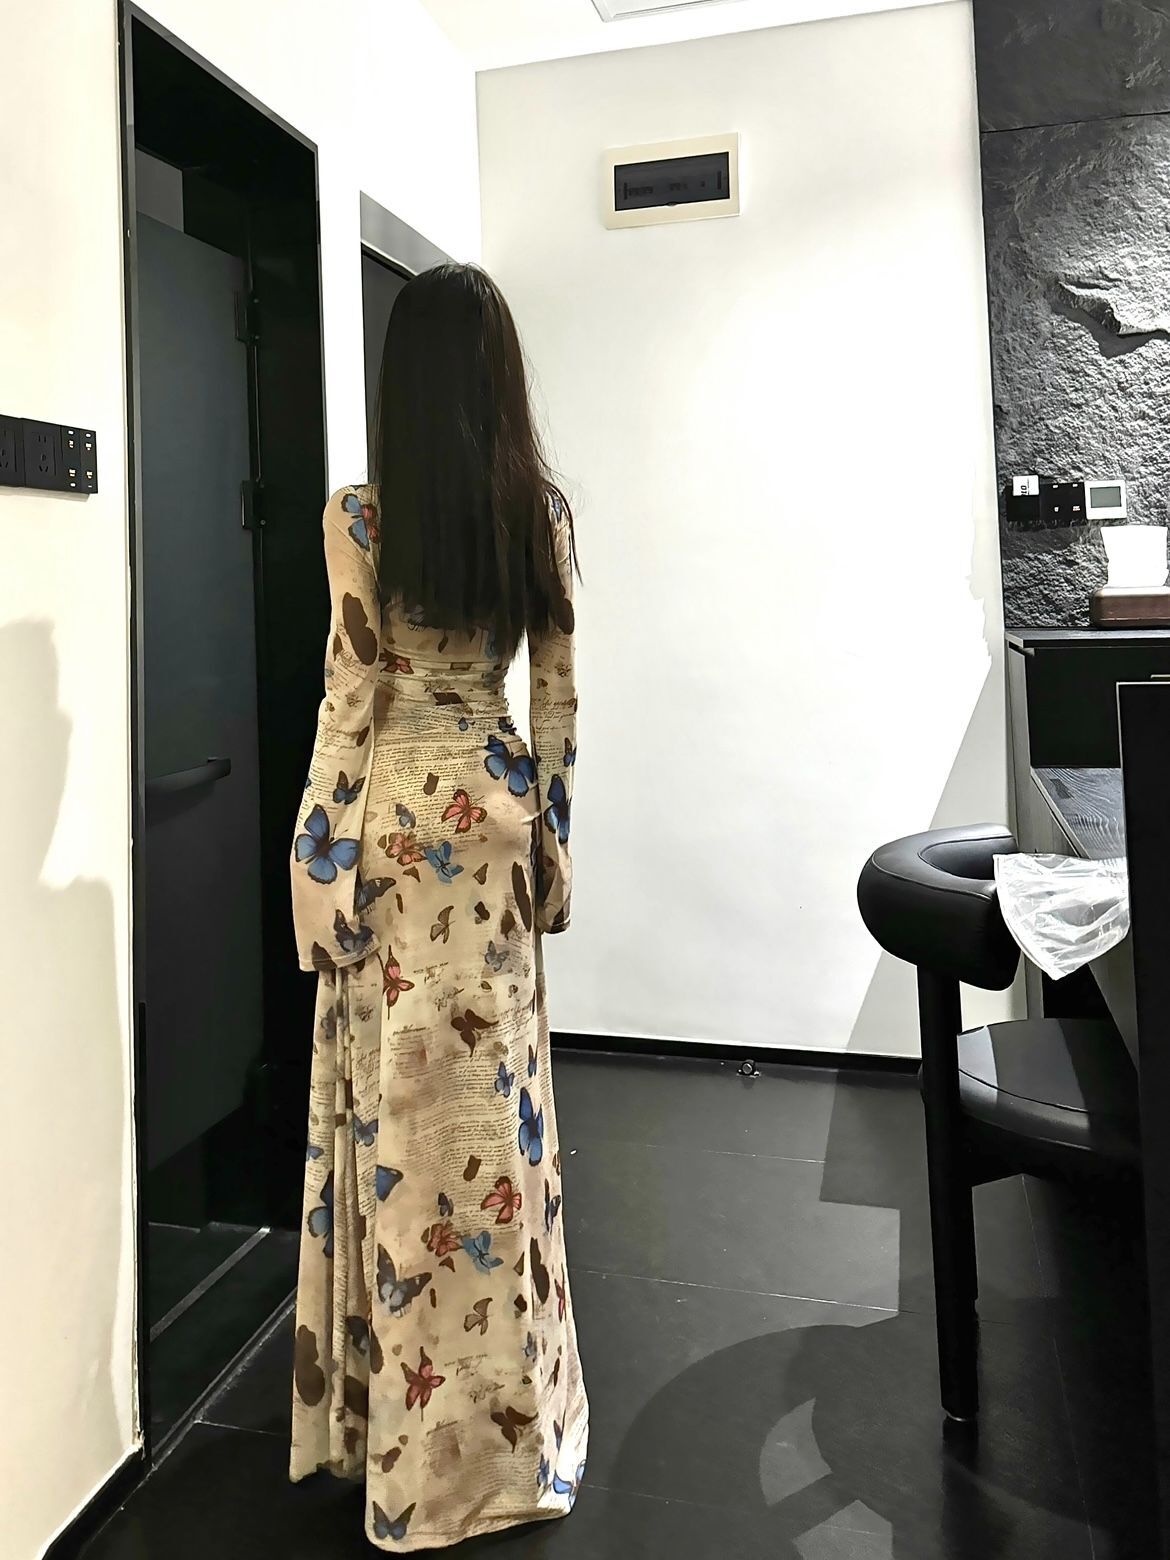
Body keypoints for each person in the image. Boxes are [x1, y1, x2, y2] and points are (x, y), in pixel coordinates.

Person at [287, 264, 587, 1551]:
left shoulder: (360, 515)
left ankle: (408, 1452)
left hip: (394, 833)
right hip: (496, 816)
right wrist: (552, 850)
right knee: (500, 1123)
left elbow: (351, 693)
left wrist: (312, 858)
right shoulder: (538, 512)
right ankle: (520, 1437)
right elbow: (556, 701)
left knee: (400, 1124)